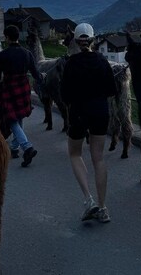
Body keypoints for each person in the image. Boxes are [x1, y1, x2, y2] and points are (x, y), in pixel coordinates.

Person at [60, 23, 117, 223]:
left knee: (75, 153)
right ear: (93, 40)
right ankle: (103, 208)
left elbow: (64, 95)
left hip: (78, 113)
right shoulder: (102, 61)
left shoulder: (71, 64)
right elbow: (111, 90)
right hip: (100, 112)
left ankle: (89, 200)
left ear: (75, 41)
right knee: (98, 159)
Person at [0, 24, 42, 166]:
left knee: (11, 118)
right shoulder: (27, 53)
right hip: (24, 87)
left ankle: (27, 147)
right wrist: (41, 82)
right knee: (18, 116)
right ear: (18, 37)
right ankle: (14, 148)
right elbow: (35, 73)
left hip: (8, 87)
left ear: (7, 37)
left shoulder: (3, 55)